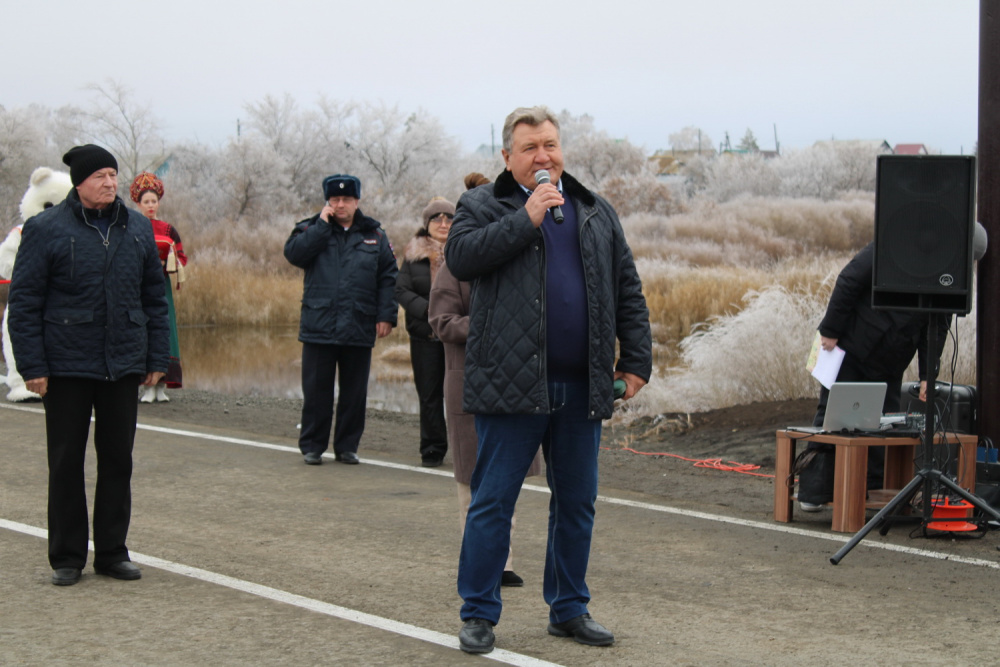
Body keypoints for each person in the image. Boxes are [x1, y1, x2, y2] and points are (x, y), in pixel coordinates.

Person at [445, 106, 652, 654]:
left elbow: (626, 287)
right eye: (530, 148)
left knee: (577, 503)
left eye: (551, 145)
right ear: (507, 156)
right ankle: (478, 612)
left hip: (582, 386)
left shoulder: (593, 209)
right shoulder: (481, 205)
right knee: (493, 501)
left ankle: (569, 608)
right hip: (511, 383)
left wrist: (636, 361)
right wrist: (527, 217)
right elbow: (461, 258)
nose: (543, 156)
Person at [8, 144, 170, 586]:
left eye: (113, 175)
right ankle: (67, 557)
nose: (110, 183)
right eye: (100, 176)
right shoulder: (45, 229)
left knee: (118, 460)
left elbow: (154, 299)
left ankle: (113, 553)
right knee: (65, 462)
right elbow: (25, 303)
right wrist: (32, 366)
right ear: (79, 182)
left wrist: (157, 357)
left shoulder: (136, 227)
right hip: (65, 364)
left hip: (123, 361)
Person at [797, 241, 950, 511]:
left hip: (892, 360)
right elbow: (849, 280)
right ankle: (815, 490)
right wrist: (830, 329)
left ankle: (870, 490)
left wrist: (928, 374)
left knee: (882, 425)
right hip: (852, 346)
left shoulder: (948, 273)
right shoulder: (890, 242)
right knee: (834, 417)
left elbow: (936, 326)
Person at [428, 255, 543, 588]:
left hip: (516, 384)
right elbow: (441, 322)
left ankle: (502, 563)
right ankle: (481, 565)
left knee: (507, 480)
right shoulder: (456, 266)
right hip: (469, 384)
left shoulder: (521, 262)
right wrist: (493, 324)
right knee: (472, 481)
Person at [284, 174, 398, 466]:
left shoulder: (375, 234)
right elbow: (294, 255)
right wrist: (321, 227)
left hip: (359, 322)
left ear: (357, 201)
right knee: (316, 391)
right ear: (327, 202)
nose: (340, 204)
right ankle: (313, 446)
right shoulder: (310, 228)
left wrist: (386, 315)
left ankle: (347, 447)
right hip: (319, 324)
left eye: (346, 199)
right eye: (334, 199)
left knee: (354, 393)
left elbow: (388, 277)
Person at [395, 197, 453, 467]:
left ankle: (468, 449)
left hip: (457, 336)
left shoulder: (465, 250)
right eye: (437, 219)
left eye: (449, 218)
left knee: (461, 396)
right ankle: (432, 448)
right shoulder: (413, 253)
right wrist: (430, 311)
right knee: (429, 395)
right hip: (424, 335)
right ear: (426, 223)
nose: (443, 223)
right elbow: (401, 290)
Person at [130, 172, 188, 403]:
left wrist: (171, 264)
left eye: (154, 201)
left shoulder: (167, 230)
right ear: (138, 204)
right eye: (146, 202)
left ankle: (162, 384)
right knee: (141, 330)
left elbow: (181, 256)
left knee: (164, 330)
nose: (151, 205)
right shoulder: (131, 227)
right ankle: (146, 387)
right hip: (137, 287)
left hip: (161, 286)